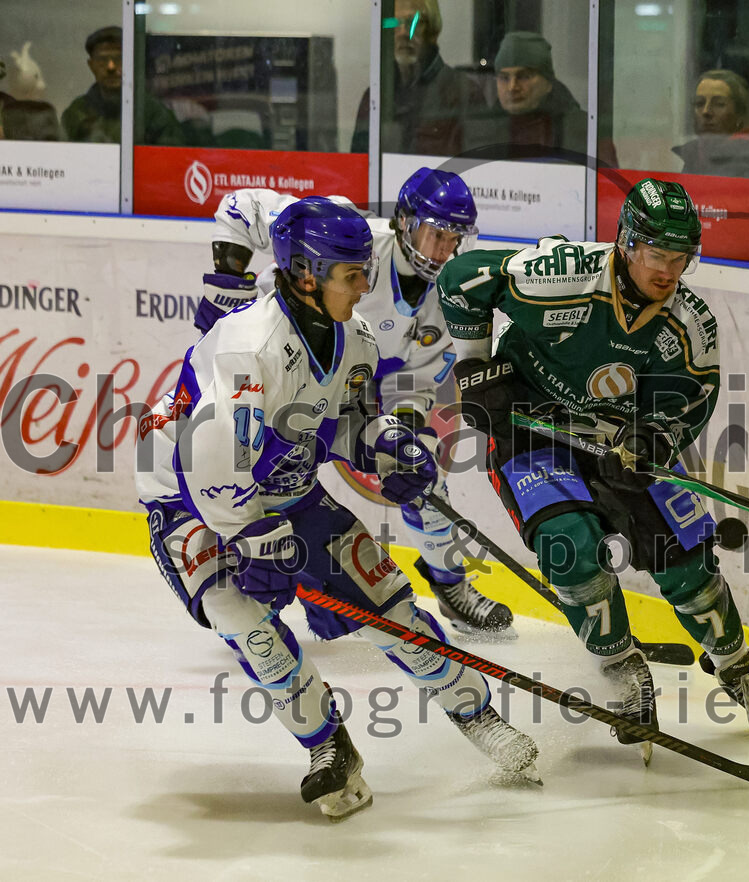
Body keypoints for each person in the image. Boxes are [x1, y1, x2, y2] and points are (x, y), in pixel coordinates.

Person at [135, 198, 539, 821]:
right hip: (190, 496)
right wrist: (254, 542)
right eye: (351, 274)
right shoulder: (248, 349)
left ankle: (478, 716)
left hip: (282, 483)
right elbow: (211, 466)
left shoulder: (354, 340)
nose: (364, 286)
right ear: (306, 274)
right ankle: (328, 747)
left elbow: (345, 421)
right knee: (243, 618)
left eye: (363, 271)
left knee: (388, 606)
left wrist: (387, 447)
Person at [436, 178, 749, 752]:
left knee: (685, 559)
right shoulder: (560, 273)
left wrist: (655, 439)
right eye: (658, 255)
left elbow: (694, 400)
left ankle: (738, 670)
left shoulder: (690, 323)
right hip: (532, 433)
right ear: (627, 243)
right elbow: (461, 279)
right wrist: (475, 366)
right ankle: (622, 671)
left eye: (681, 258)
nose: (669, 271)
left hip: (616, 443)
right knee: (568, 546)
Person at [199, 168, 516, 639]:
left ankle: (451, 586)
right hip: (274, 361)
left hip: (346, 378)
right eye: (436, 235)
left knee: (422, 476)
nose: (444, 251)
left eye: (454, 239)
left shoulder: (450, 292)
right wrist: (228, 282)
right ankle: (243, 593)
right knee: (246, 470)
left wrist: (402, 437)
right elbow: (242, 206)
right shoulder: (351, 234)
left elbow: (414, 381)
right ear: (404, 222)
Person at [350, 0, 484, 155]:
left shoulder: (464, 94)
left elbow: (477, 166)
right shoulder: (374, 98)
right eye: (393, 23)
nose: (403, 32)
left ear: (432, 30)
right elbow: (359, 165)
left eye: (414, 22)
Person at [467, 31, 617, 166]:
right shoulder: (482, 131)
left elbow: (608, 183)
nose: (512, 87)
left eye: (524, 76)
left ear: (548, 83)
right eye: (504, 78)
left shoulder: (585, 132)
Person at [61, 26, 183, 145]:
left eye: (119, 58)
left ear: (132, 62)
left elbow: (168, 155)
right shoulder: (77, 113)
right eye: (102, 59)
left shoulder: (154, 113)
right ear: (91, 66)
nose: (111, 67)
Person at [672, 69, 749, 178]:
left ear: (740, 113)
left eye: (719, 104)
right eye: (699, 103)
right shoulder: (695, 154)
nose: (706, 111)